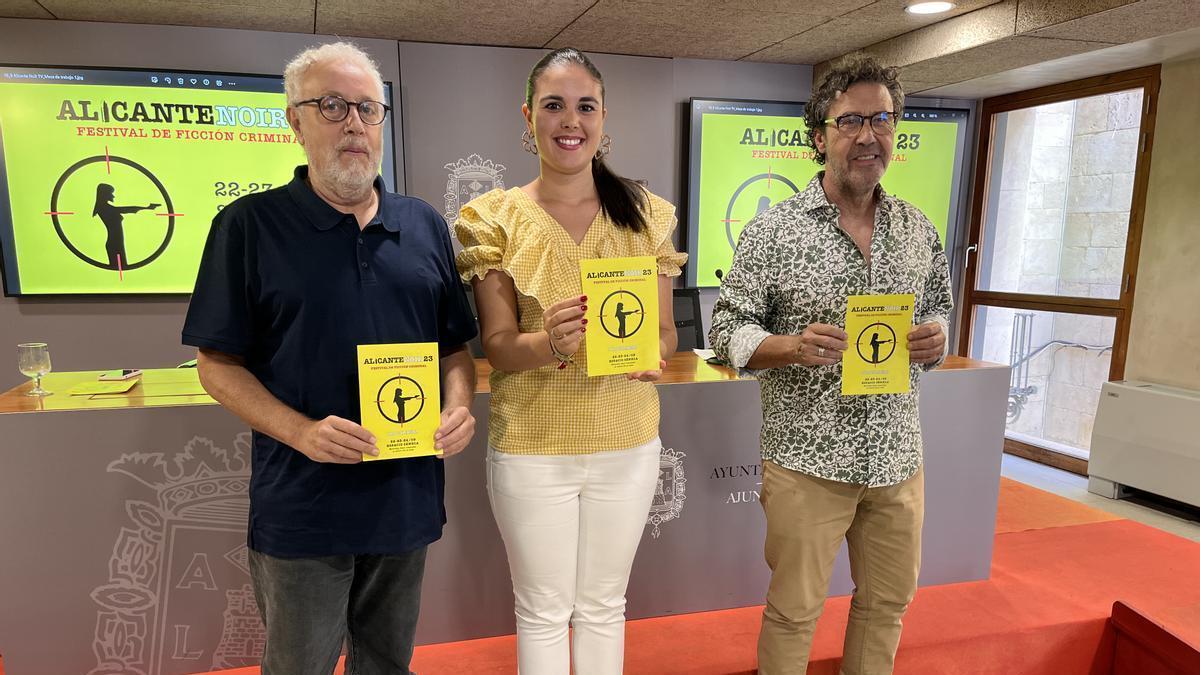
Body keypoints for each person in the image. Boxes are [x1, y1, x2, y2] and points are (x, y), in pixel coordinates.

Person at [181, 42, 477, 675]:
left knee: (388, 664)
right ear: (295, 119)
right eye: (333, 105)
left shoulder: (423, 224)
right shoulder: (248, 227)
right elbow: (216, 363)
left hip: (404, 498)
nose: (354, 124)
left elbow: (454, 348)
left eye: (368, 109)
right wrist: (302, 432)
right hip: (303, 505)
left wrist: (458, 408)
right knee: (298, 667)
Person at [709, 54, 954, 675]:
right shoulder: (774, 232)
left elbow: (940, 313)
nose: (869, 135)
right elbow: (726, 329)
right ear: (819, 137)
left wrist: (937, 339)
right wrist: (790, 346)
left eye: (883, 120)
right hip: (807, 462)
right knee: (795, 610)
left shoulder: (918, 231)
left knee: (888, 604)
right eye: (851, 122)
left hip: (897, 457)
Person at [454, 47, 687, 675]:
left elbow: (664, 333)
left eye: (585, 106)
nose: (570, 121)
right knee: (541, 610)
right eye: (554, 105)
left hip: (628, 441)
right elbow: (498, 346)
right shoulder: (493, 219)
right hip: (532, 446)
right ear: (527, 116)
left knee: (605, 606)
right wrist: (549, 344)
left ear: (604, 118)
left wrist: (653, 357)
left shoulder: (645, 216)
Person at [91, 182, 159, 268]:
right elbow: (125, 209)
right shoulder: (104, 208)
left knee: (121, 266)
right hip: (114, 243)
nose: (113, 196)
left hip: (117, 242)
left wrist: (146, 208)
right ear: (104, 194)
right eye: (111, 193)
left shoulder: (105, 207)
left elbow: (126, 209)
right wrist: (146, 208)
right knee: (119, 267)